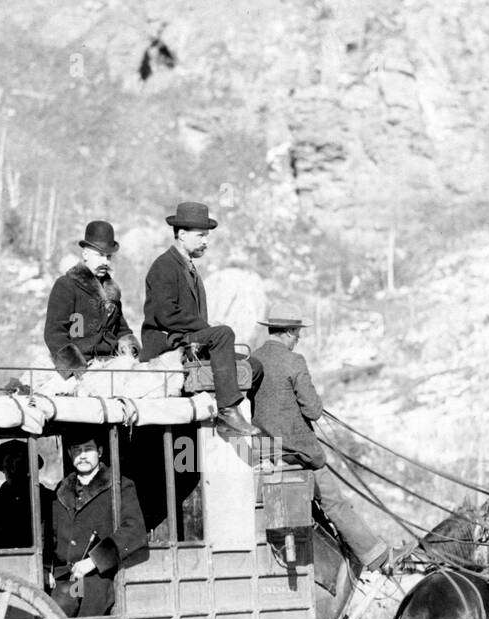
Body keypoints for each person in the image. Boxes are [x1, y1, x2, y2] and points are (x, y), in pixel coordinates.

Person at [252, 309, 392, 571]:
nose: (299, 338)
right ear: (290, 333)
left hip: (264, 451)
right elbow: (313, 411)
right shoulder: (294, 361)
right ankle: (375, 556)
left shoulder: (254, 359)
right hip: (297, 453)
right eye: (298, 333)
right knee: (333, 500)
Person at [139, 201, 260, 437]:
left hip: (187, 337)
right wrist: (207, 329)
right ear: (182, 235)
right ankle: (227, 410)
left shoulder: (188, 267)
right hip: (168, 341)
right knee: (223, 333)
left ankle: (249, 425)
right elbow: (166, 315)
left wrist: (205, 331)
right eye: (201, 235)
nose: (206, 241)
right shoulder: (163, 266)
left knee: (253, 366)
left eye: (207, 235)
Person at [44, 426, 146, 617]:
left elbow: (134, 529)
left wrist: (94, 561)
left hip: (99, 579)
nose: (82, 456)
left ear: (99, 452)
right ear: (69, 454)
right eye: (77, 450)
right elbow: (49, 534)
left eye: (88, 449)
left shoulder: (119, 486)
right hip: (66, 580)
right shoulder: (61, 491)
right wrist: (45, 569)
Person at [43, 220, 134, 376]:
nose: (105, 261)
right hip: (81, 367)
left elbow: (121, 329)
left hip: (112, 365)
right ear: (85, 254)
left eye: (109, 256)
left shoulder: (112, 290)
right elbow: (54, 334)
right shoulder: (66, 285)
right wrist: (77, 369)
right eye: (100, 255)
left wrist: (133, 355)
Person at [0, 440, 36, 549]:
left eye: (18, 465)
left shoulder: (45, 498)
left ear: (29, 469)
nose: (12, 471)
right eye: (8, 466)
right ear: (3, 470)